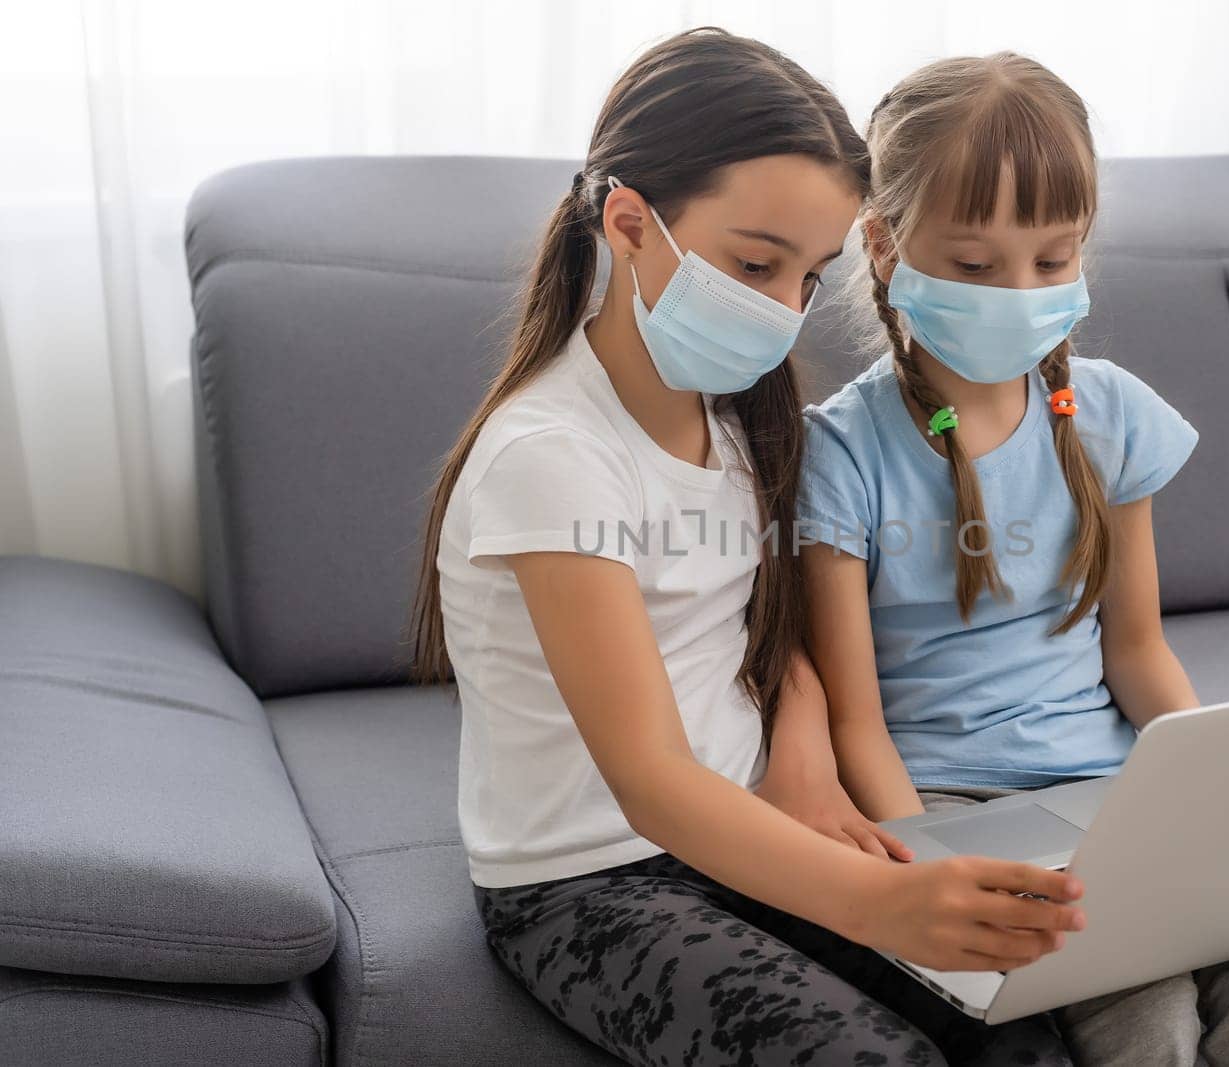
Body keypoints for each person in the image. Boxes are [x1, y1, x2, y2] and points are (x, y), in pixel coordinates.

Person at [409, 28, 1085, 1066]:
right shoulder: (550, 455)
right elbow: (649, 777)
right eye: (755, 263)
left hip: (753, 831)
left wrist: (805, 770)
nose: (783, 310)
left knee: (1027, 1036)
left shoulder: (738, 419)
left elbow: (771, 634)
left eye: (808, 276)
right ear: (629, 221)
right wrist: (883, 900)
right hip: (591, 879)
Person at [797, 51, 1229, 1067]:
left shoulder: (1111, 416)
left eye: (1052, 261)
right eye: (973, 263)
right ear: (882, 245)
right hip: (957, 806)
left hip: (1119, 790)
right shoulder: (836, 450)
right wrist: (930, 863)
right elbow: (851, 718)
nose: (1018, 289)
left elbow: (1136, 651)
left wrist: (1219, 784)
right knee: (1146, 1025)